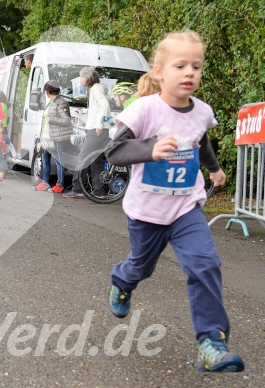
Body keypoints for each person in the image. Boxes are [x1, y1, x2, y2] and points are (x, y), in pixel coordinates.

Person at [105, 30, 244, 373]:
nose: (189, 73)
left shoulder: (202, 111)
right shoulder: (143, 111)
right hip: (147, 212)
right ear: (159, 73)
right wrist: (150, 150)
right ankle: (123, 281)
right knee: (142, 266)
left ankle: (212, 342)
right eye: (180, 65)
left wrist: (213, 169)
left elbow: (202, 140)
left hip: (185, 208)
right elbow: (114, 152)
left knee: (205, 263)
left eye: (196, 66)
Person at [63, 67, 111, 199]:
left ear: (89, 77)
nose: (80, 80)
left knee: (82, 158)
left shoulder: (95, 88)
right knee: (96, 161)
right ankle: (98, 191)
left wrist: (99, 125)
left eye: (82, 77)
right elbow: (99, 108)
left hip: (97, 130)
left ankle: (77, 188)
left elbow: (104, 105)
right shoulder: (98, 88)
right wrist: (84, 112)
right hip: (100, 129)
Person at [33, 80, 73, 193]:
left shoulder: (61, 102)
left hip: (57, 137)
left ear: (48, 91)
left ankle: (60, 184)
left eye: (46, 90)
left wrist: (52, 119)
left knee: (59, 161)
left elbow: (66, 121)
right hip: (47, 138)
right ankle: (45, 182)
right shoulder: (51, 102)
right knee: (45, 160)